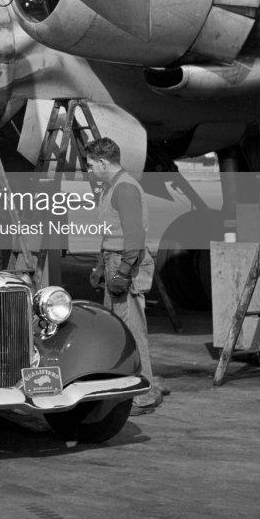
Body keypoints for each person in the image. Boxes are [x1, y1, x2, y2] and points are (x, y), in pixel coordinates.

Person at [84, 137, 165, 415]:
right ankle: (135, 387)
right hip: (114, 261)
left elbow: (134, 236)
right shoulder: (113, 187)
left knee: (132, 331)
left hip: (124, 265)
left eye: (92, 164)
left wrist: (123, 272)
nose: (90, 169)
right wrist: (99, 266)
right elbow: (112, 232)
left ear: (104, 162)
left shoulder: (125, 188)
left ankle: (144, 394)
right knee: (120, 330)